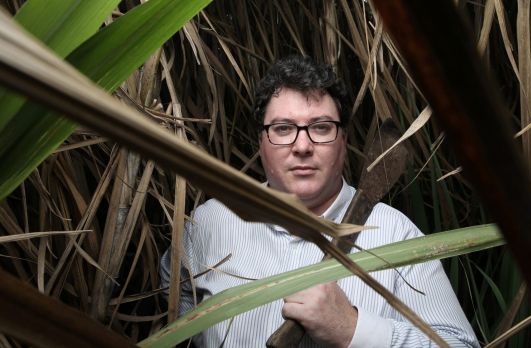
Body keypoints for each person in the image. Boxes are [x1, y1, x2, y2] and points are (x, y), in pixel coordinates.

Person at [160, 55, 479, 347]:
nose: (302, 146)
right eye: (283, 128)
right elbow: (175, 284)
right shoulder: (210, 223)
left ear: (343, 141)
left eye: (321, 127)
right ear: (261, 143)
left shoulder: (397, 234)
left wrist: (354, 329)